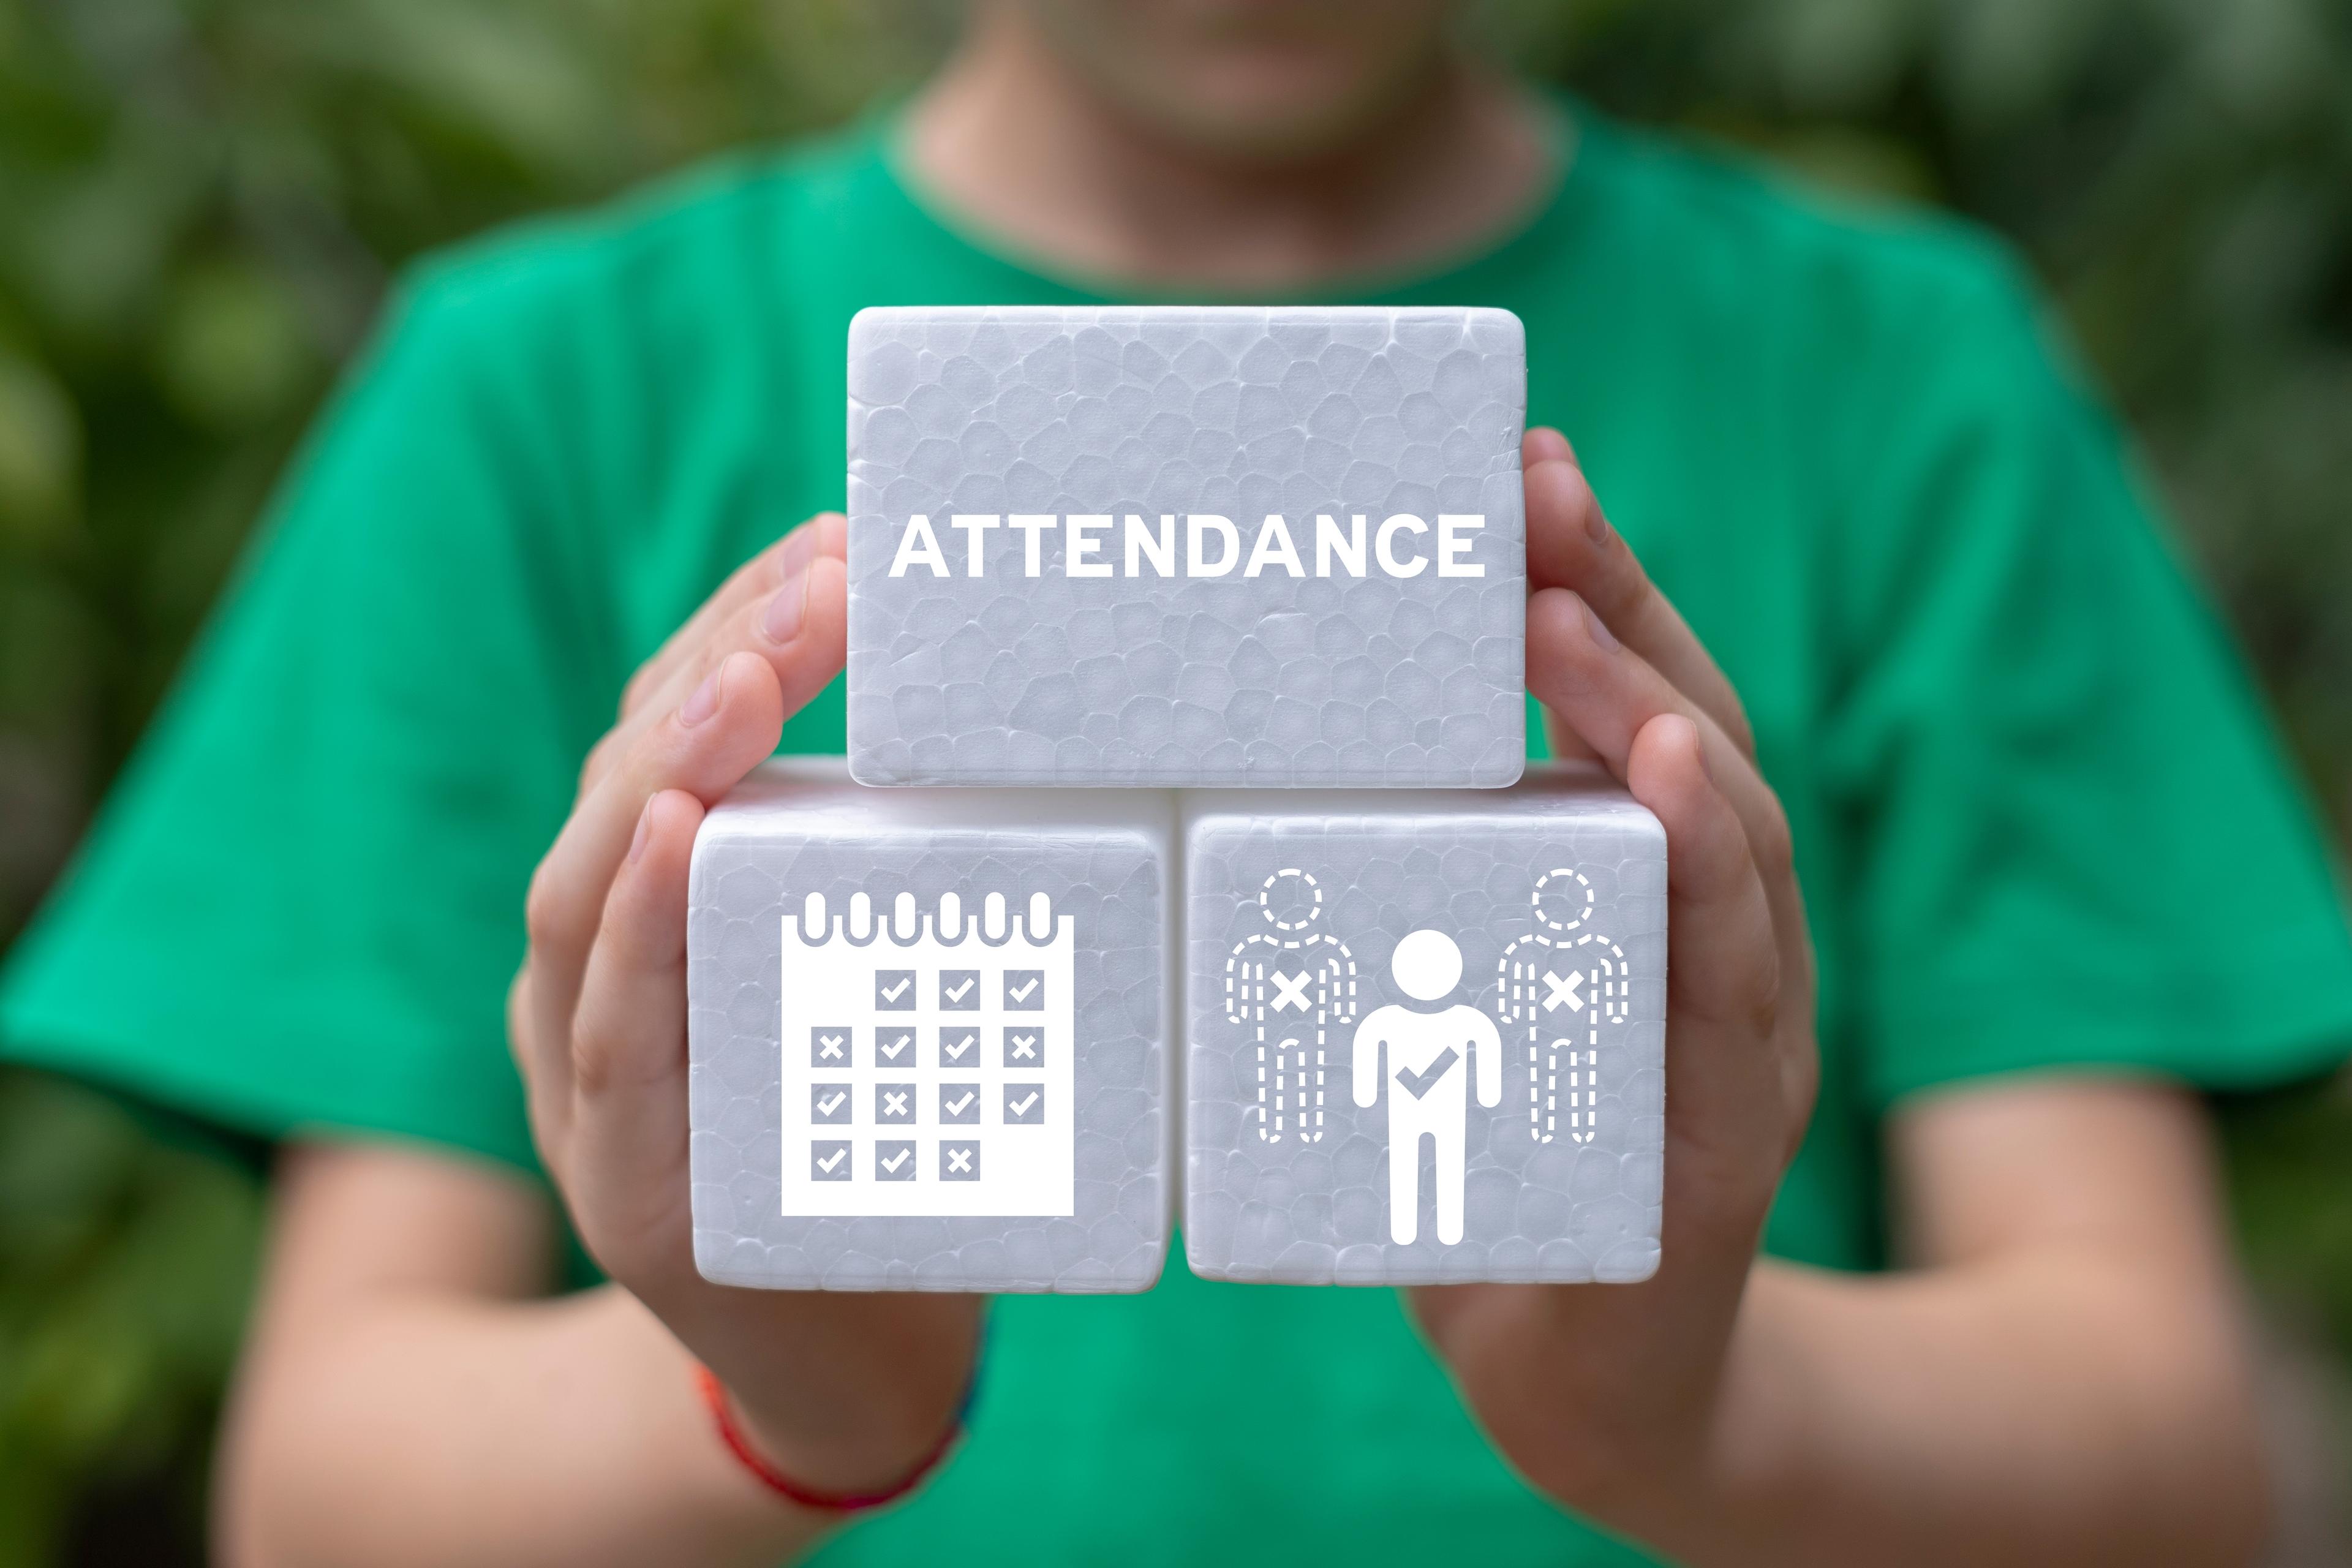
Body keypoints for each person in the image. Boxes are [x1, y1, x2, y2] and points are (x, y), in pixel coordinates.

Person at [4, 2, 2350, 1563]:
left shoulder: (1896, 375)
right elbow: (326, 1488)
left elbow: (2163, 1444)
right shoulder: (532, 396)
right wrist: (796, 1392)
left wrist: (1668, 1408)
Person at [1353, 929, 1504, 1245]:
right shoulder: (1390, 1019)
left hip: (1445, 1109)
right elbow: (1367, 1042)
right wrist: (1364, 1093)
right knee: (1405, 1162)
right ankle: (1406, 1231)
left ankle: (1447, 1231)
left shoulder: (1463, 1019)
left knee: (1448, 1163)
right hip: (1407, 1108)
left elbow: (1487, 1042)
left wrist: (1490, 1093)